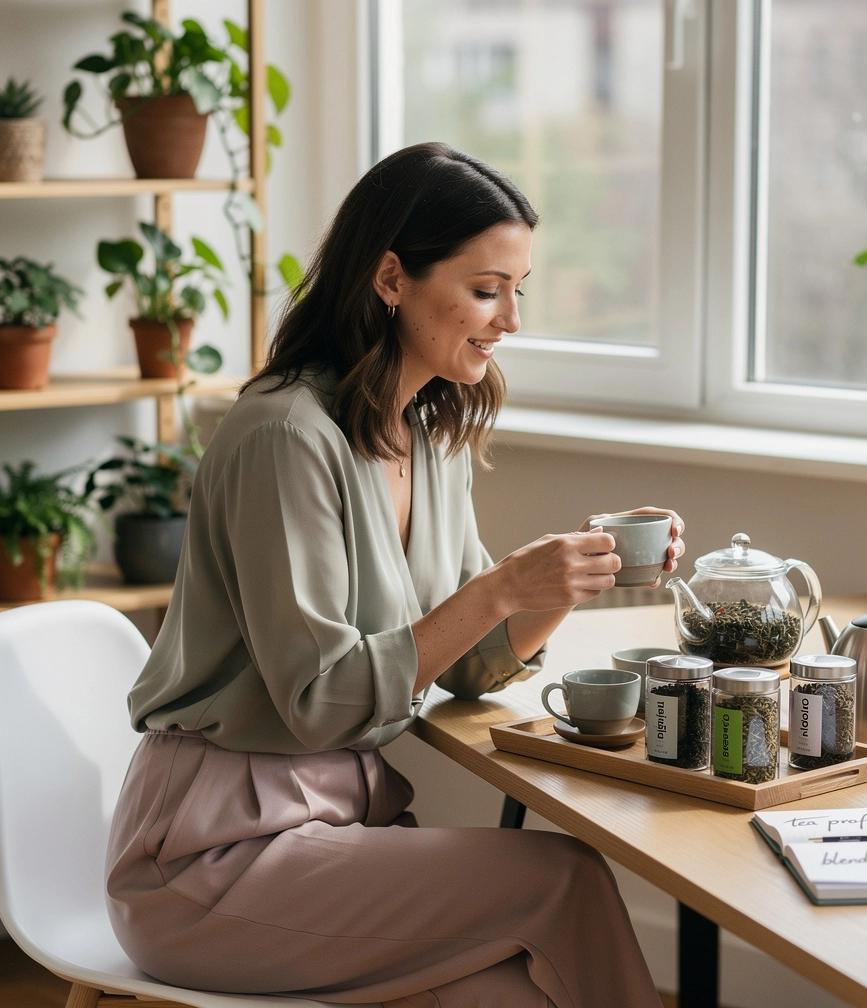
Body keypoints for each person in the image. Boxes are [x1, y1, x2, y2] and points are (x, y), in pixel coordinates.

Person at [105, 141, 685, 1007]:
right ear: (390, 280)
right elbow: (321, 701)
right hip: (210, 860)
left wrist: (557, 585)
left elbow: (471, 663)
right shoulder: (284, 439)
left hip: (335, 833)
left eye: (516, 290)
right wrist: (499, 587)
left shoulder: (430, 431)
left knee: (517, 992)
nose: (510, 320)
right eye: (486, 291)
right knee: (560, 878)